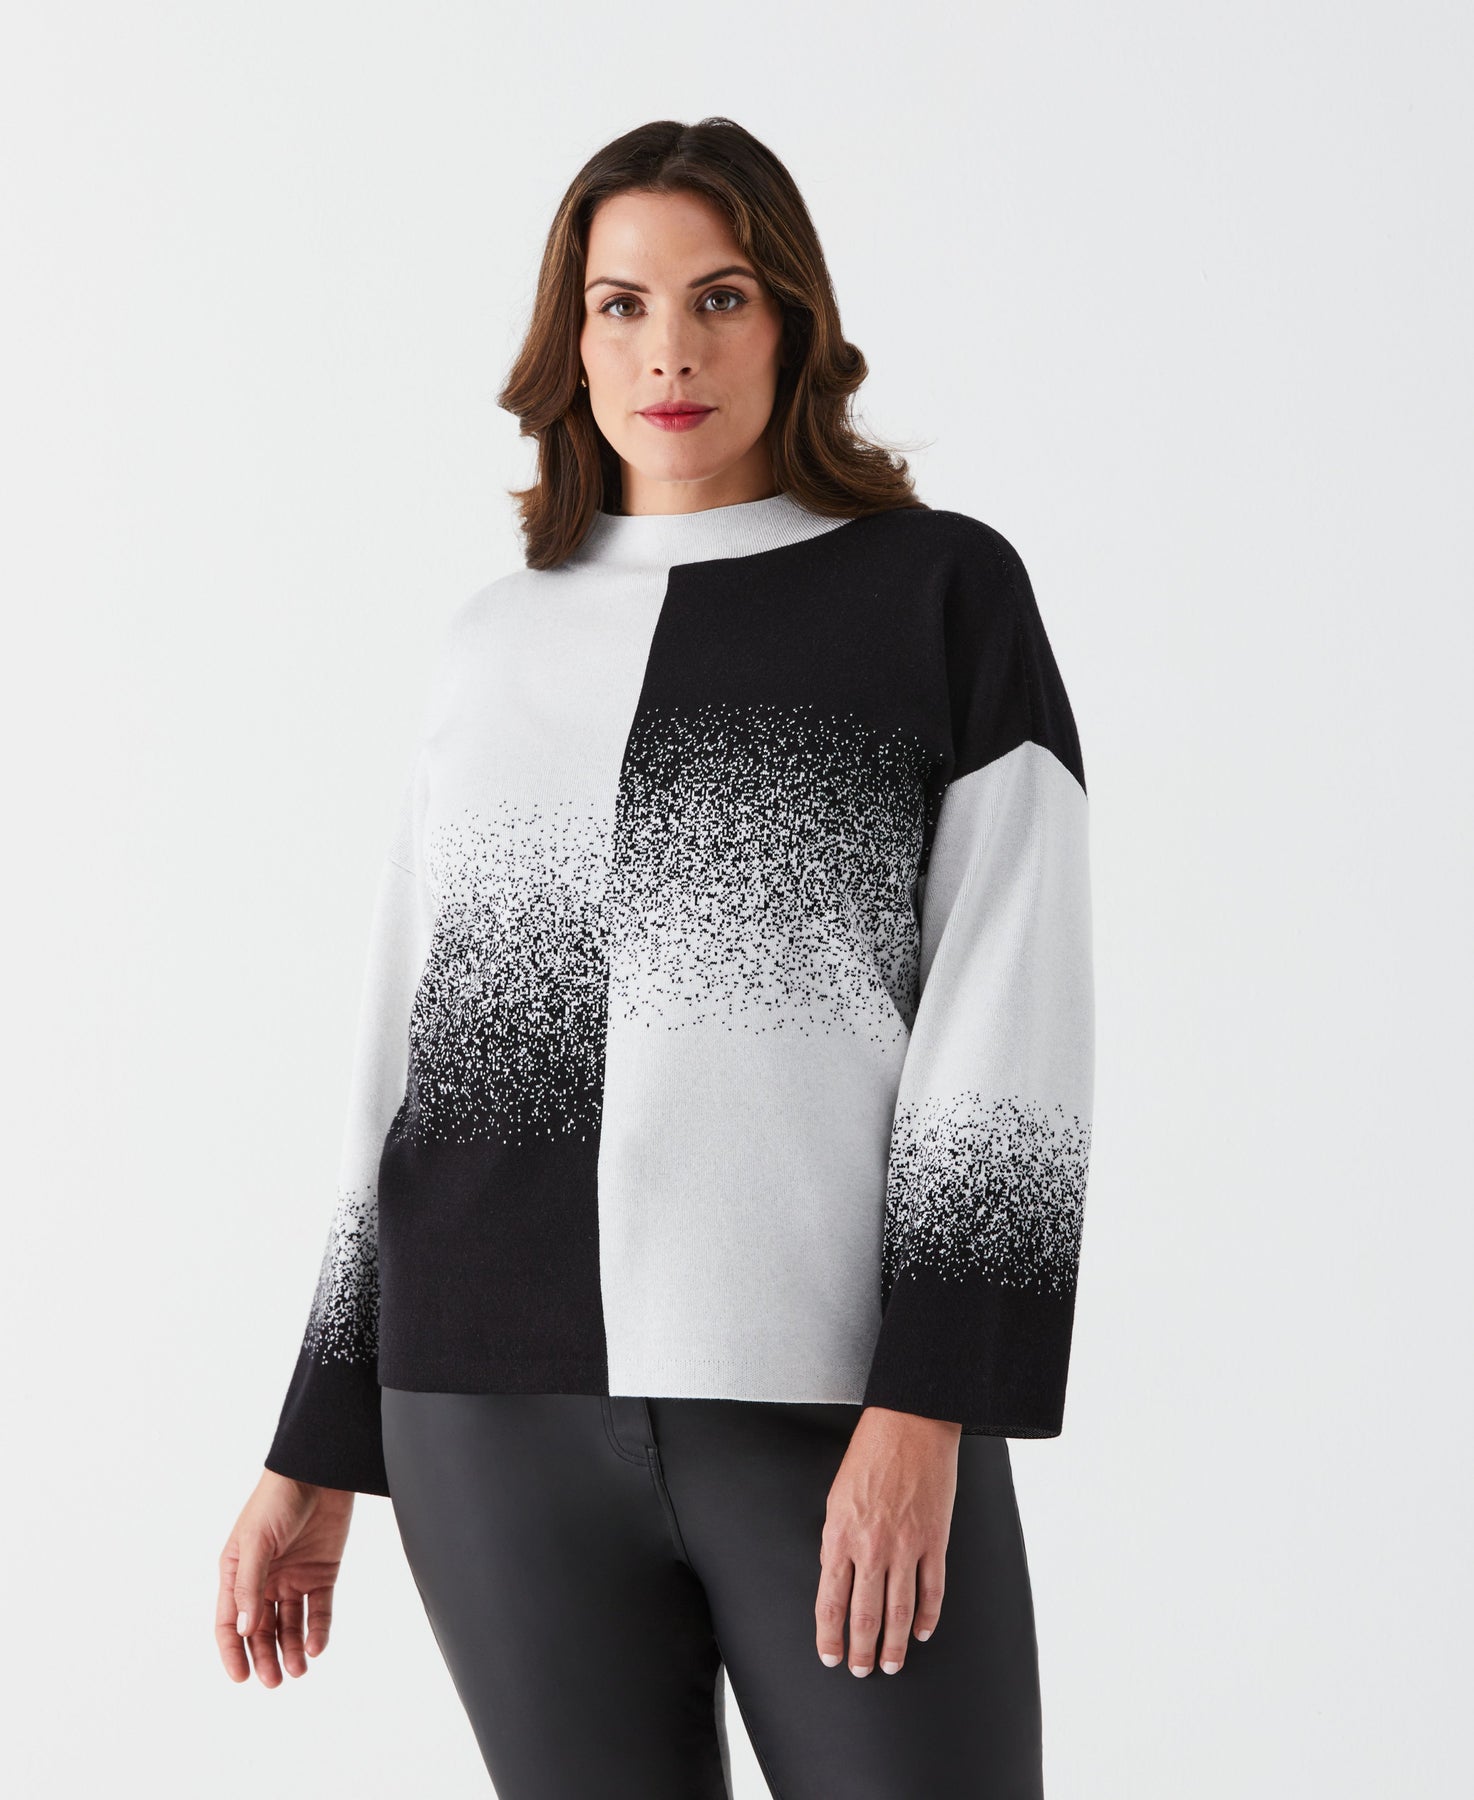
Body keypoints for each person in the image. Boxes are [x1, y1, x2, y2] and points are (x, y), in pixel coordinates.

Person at [215, 115, 1095, 1799]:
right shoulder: (495, 642)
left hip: (821, 1401)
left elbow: (1009, 1026)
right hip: (485, 1411)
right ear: (571, 340)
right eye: (619, 304)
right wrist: (316, 1439)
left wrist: (926, 1405)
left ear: (792, 325)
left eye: (720, 297)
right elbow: (406, 1068)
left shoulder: (940, 594)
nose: (668, 350)